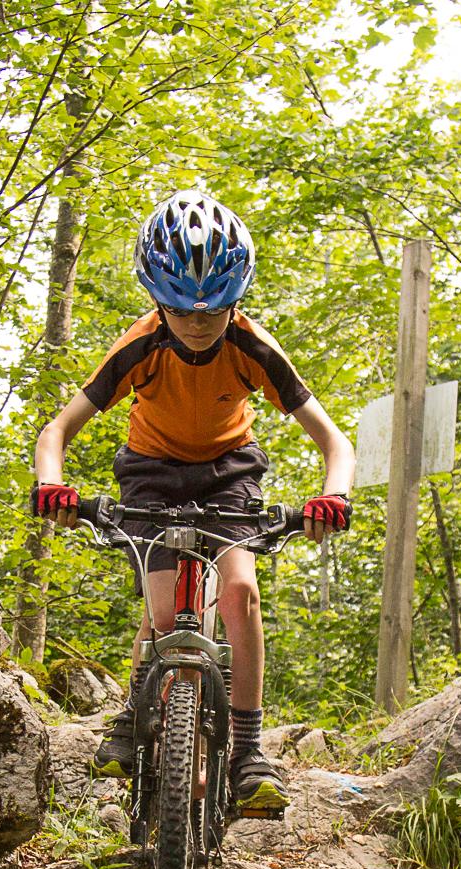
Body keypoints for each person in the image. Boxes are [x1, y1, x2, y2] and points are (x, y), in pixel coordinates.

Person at [30, 190, 355, 815]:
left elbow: (333, 441)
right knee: (161, 611)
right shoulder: (141, 347)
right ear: (158, 302)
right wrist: (53, 485)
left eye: (215, 313)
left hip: (229, 475)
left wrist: (331, 497)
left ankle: (249, 751)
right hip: (151, 474)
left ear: (237, 302)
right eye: (182, 314)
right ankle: (134, 715)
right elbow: (57, 432)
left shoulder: (253, 348)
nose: (199, 326)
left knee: (239, 593)